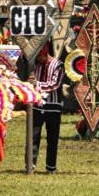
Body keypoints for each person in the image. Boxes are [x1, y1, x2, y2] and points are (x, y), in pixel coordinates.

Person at [31, 44, 64, 173]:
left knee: (52, 138)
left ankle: (51, 167)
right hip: (37, 105)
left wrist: (37, 84)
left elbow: (55, 84)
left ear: (44, 54)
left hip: (53, 106)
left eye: (39, 57)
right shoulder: (35, 64)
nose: (37, 60)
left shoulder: (58, 65)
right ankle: (30, 165)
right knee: (33, 137)